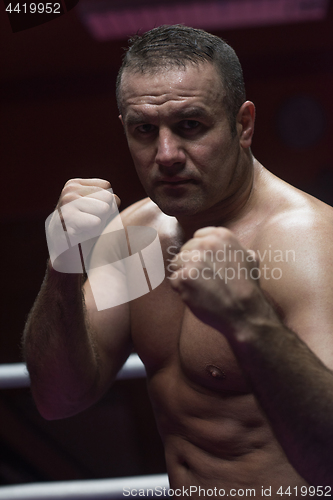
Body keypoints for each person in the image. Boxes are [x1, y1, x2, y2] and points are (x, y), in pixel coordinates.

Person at [23, 25, 333, 497]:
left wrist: (249, 323)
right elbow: (57, 399)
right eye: (144, 130)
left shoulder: (310, 243)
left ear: (242, 124)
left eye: (190, 125)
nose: (165, 155)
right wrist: (63, 268)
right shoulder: (135, 237)